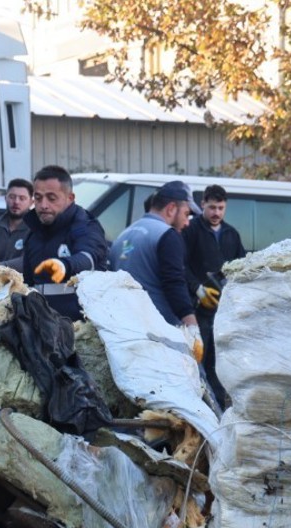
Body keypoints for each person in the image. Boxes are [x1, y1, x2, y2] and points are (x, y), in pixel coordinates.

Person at [184, 184, 246, 408]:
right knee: (198, 361)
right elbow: (179, 265)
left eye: (220, 208)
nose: (216, 213)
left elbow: (241, 265)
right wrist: (197, 288)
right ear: (202, 205)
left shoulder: (231, 234)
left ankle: (219, 405)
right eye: (212, 207)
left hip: (224, 311)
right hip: (197, 311)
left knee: (218, 362)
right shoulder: (190, 230)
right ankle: (199, 404)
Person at [20, 165, 109, 321]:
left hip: (80, 330)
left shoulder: (85, 226)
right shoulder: (34, 232)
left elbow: (88, 258)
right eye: (38, 198)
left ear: (70, 198)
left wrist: (64, 265)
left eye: (51, 198)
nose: (43, 205)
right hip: (41, 328)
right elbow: (27, 281)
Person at [109, 181, 198, 329]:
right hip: (158, 332)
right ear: (171, 209)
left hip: (125, 328)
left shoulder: (123, 236)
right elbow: (174, 283)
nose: (187, 223)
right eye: (186, 214)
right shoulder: (167, 235)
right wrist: (192, 325)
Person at [0, 178, 33, 269]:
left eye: (22, 198)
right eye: (12, 197)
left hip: (24, 283)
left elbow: (29, 261)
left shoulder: (36, 231)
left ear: (31, 202)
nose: (16, 202)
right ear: (5, 198)